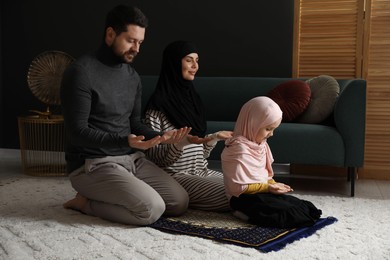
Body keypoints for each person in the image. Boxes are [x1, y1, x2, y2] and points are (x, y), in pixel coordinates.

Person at [60, 5, 191, 226]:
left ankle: (119, 192)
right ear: (110, 34)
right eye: (131, 40)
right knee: (151, 210)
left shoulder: (132, 77)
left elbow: (133, 123)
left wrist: (159, 136)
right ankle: (85, 203)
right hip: (92, 164)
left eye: (140, 42)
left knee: (179, 202)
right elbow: (77, 133)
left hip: (132, 159)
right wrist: (123, 140)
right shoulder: (80, 72)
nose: (137, 48)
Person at [143, 40, 232, 211]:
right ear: (174, 62)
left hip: (201, 172)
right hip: (175, 177)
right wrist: (178, 145)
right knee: (234, 194)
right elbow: (155, 158)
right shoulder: (157, 106)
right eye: (189, 60)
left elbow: (200, 155)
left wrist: (213, 139)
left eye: (197, 60)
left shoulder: (193, 101)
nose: (195, 66)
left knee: (245, 186)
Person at [221, 96, 322, 228]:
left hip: (261, 192)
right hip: (242, 198)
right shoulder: (237, 149)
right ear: (252, 123)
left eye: (274, 129)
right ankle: (241, 213)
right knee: (285, 214)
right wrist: (268, 187)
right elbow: (238, 188)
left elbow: (264, 176)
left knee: (301, 206)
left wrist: (274, 184)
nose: (271, 134)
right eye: (268, 129)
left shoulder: (261, 145)